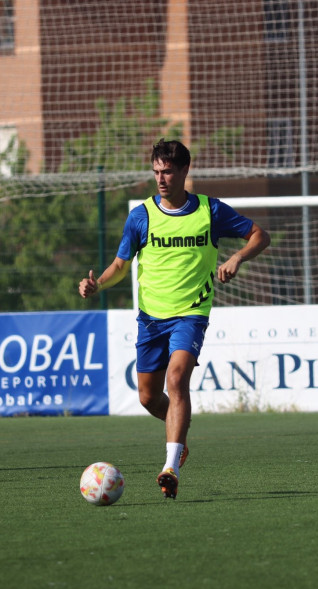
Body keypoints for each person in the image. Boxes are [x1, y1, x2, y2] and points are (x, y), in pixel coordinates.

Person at [78, 139, 270, 499]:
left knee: (177, 378)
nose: (161, 178)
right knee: (149, 397)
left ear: (184, 171)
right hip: (151, 319)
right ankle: (178, 435)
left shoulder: (210, 211)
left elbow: (261, 235)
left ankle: (171, 467)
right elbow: (120, 265)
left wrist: (238, 258)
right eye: (156, 172)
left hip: (191, 314)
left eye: (167, 171)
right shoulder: (141, 216)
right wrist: (97, 284)